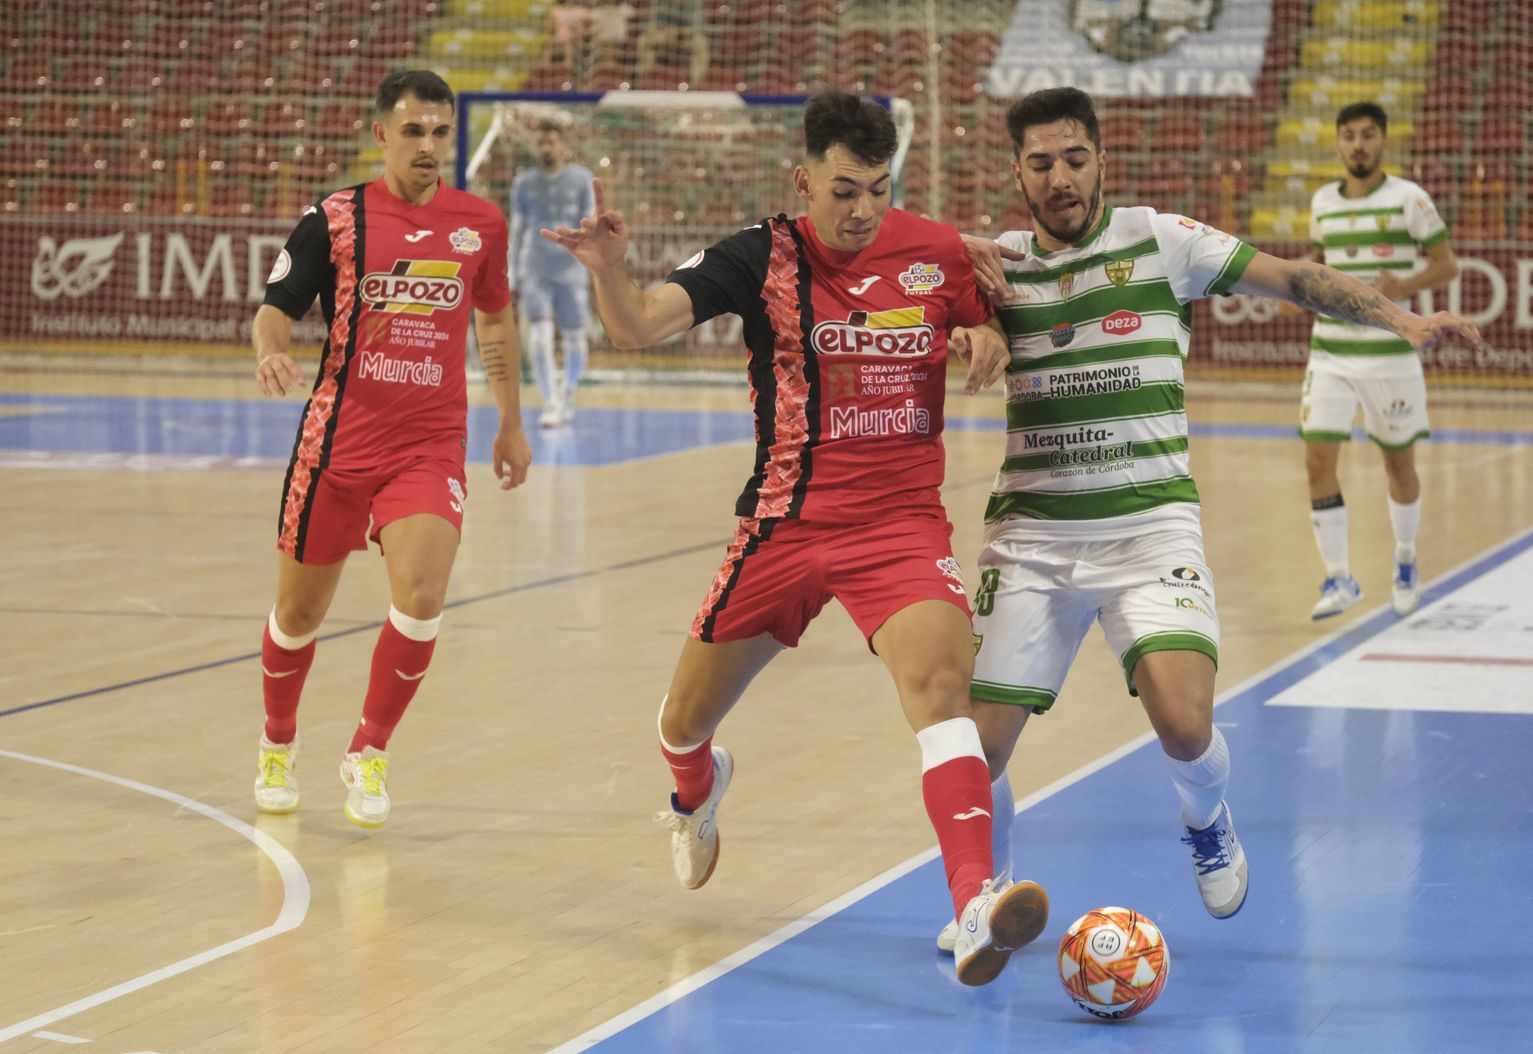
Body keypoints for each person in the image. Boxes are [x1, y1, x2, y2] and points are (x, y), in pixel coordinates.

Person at [941, 86, 1480, 953]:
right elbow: (893, 272)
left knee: (1187, 726)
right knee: (977, 749)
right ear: (1018, 173)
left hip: (1151, 528)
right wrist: (964, 303)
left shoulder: (1160, 238)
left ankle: (1206, 816)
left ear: (1101, 160)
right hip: (1033, 538)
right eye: (1040, 163)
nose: (1060, 177)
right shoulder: (993, 263)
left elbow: (1294, 278)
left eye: (1075, 157)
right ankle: (985, 898)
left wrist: (1400, 317)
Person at [543, 89, 1046, 987]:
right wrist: (609, 270)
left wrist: (986, 333)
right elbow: (637, 326)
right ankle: (696, 792)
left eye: (878, 190)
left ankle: (975, 904)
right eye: (843, 190)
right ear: (803, 178)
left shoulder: (934, 250)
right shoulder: (759, 255)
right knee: (682, 725)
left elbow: (986, 314)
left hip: (899, 525)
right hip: (783, 527)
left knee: (942, 694)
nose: (861, 211)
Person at [251, 70, 531, 829]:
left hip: (429, 446)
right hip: (338, 443)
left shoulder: (480, 223)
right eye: (414, 131)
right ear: (382, 135)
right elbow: (276, 309)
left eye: (441, 131)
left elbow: (495, 320)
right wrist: (271, 352)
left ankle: (369, 751)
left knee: (421, 597)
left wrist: (510, 421)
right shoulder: (336, 219)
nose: (430, 146)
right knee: (297, 614)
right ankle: (278, 740)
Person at [1297, 101, 1459, 620]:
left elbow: (1447, 265)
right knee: (1317, 460)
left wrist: (1404, 287)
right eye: (1349, 136)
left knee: (1398, 463)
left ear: (1383, 140)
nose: (1358, 145)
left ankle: (1406, 560)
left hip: (1390, 355)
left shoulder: (1410, 199)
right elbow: (1321, 262)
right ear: (1339, 143)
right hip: (1330, 353)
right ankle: (1339, 577)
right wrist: (1301, 284)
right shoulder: (1322, 201)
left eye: (1368, 135)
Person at [509, 119, 596, 428]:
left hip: (572, 269)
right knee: (540, 334)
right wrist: (512, 273)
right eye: (541, 143)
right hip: (536, 269)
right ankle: (550, 400)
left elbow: (591, 223)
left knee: (575, 337)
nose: (546, 148)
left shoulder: (582, 180)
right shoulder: (524, 183)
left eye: (551, 142)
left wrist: (593, 263)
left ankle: (568, 391)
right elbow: (517, 229)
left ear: (563, 146)